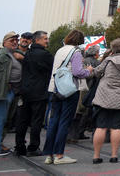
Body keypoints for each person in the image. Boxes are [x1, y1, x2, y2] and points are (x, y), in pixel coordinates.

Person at [43, 29, 93, 164]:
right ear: (79, 41)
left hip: (55, 88)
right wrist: (88, 71)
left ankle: (49, 154)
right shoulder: (76, 52)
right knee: (64, 121)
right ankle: (59, 154)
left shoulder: (60, 50)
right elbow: (77, 72)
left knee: (53, 121)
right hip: (69, 90)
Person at [90, 37, 120, 164]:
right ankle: (114, 155)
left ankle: (96, 156)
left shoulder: (108, 60)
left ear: (113, 49)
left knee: (101, 127)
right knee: (116, 128)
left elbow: (96, 73)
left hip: (104, 97)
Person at [14, 30, 51, 157]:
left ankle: (19, 146)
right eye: (45, 38)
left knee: (22, 120)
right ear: (37, 40)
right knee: (36, 121)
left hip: (25, 91)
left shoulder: (27, 54)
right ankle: (33, 147)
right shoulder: (45, 55)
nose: (47, 40)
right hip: (39, 92)